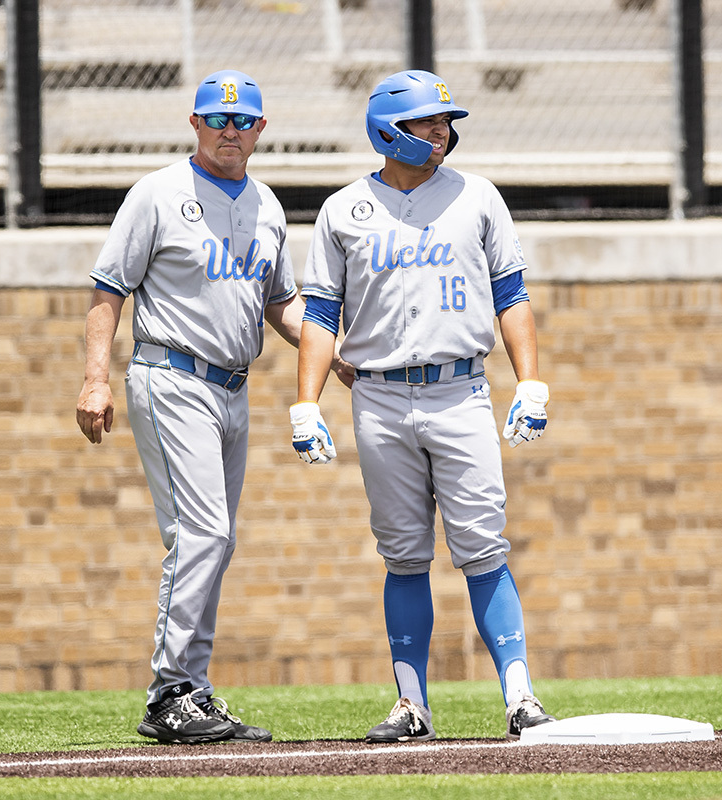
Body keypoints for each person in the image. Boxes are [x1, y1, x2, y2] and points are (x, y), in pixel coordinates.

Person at [76, 69, 349, 745]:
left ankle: (190, 691)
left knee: (214, 543)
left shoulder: (267, 205)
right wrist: (95, 380)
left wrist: (333, 355)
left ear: (262, 130)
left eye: (243, 121)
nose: (230, 131)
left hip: (233, 386)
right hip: (170, 376)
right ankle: (170, 689)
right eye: (217, 119)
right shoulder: (159, 194)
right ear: (194, 124)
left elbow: (281, 303)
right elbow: (109, 289)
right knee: (204, 534)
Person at [290, 69, 557, 742]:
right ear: (387, 129)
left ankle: (520, 697)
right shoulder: (342, 208)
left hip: (460, 390)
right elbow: (321, 314)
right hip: (376, 396)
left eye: (444, 121)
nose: (441, 131)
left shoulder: (478, 196)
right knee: (404, 555)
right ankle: (412, 706)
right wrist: (305, 403)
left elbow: (511, 296)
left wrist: (530, 381)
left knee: (482, 547)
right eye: (426, 122)